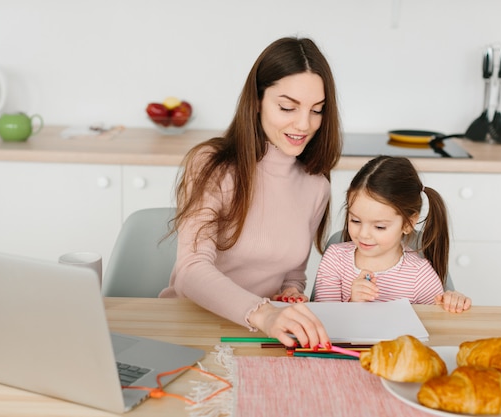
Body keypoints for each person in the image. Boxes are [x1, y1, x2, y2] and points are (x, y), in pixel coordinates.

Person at [159, 36, 343, 348]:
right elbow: (190, 270)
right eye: (287, 107)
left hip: (257, 336)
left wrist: (291, 294)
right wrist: (264, 313)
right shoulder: (211, 165)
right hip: (190, 325)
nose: (304, 124)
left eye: (317, 110)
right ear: (257, 101)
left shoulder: (316, 185)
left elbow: (293, 275)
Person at [314, 155, 472, 313]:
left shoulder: (420, 274)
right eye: (355, 221)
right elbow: (325, 320)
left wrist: (452, 303)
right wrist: (353, 303)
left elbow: (436, 323)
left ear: (408, 223)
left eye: (379, 227)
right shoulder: (335, 259)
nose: (363, 234)